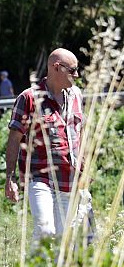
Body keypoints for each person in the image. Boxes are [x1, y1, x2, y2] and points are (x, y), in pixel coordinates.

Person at [5, 48, 86, 243]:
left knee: (63, 239)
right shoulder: (29, 98)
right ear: (56, 68)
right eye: (73, 70)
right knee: (45, 231)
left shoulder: (76, 95)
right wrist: (10, 177)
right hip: (40, 178)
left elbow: (81, 131)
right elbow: (14, 139)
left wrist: (85, 166)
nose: (77, 75)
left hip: (70, 178)